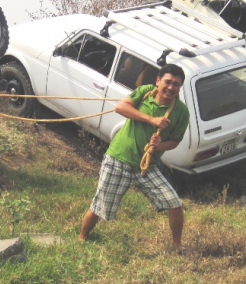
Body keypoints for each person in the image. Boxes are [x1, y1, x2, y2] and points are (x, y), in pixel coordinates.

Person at [79, 64, 190, 250]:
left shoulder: (181, 111)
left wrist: (159, 146)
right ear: (158, 81)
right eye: (168, 82)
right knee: (100, 206)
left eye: (176, 85)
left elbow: (175, 141)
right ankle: (82, 238)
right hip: (119, 159)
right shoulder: (146, 92)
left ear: (180, 87)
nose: (171, 87)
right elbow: (121, 107)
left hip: (147, 166)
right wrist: (151, 119)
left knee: (174, 202)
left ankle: (178, 246)